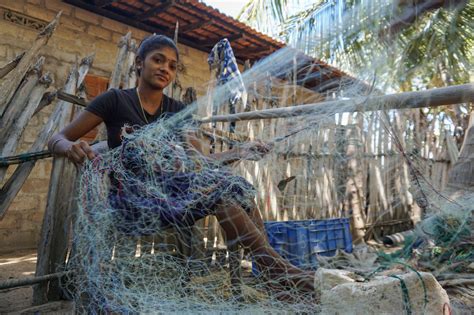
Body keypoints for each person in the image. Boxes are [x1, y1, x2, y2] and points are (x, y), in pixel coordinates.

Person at [48, 34, 315, 295]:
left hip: (173, 194)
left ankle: (271, 269)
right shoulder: (114, 100)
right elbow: (56, 138)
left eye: (172, 66)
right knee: (222, 193)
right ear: (140, 63)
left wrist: (240, 151)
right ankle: (274, 270)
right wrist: (70, 147)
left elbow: (200, 162)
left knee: (234, 188)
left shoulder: (178, 110)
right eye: (158, 60)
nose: (165, 68)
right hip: (132, 200)